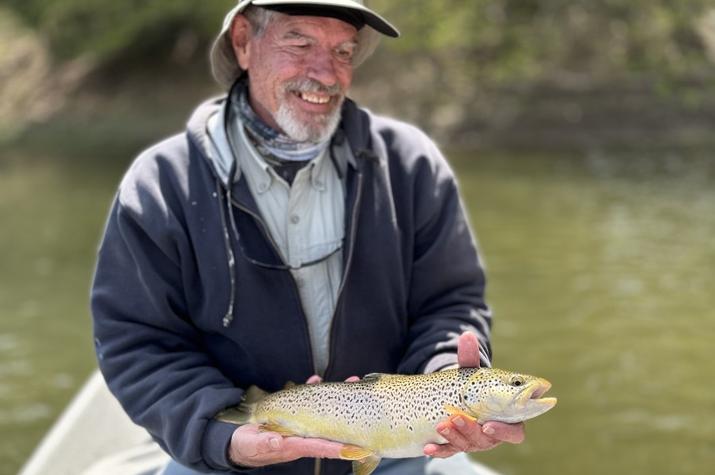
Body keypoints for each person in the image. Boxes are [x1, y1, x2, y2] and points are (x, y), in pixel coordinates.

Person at [90, 1, 525, 474]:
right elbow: (138, 341)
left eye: (343, 50)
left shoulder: (413, 166)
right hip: (223, 461)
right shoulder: (160, 184)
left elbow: (451, 305)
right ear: (242, 42)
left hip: (396, 457)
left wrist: (446, 380)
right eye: (299, 43)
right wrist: (224, 437)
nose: (326, 72)